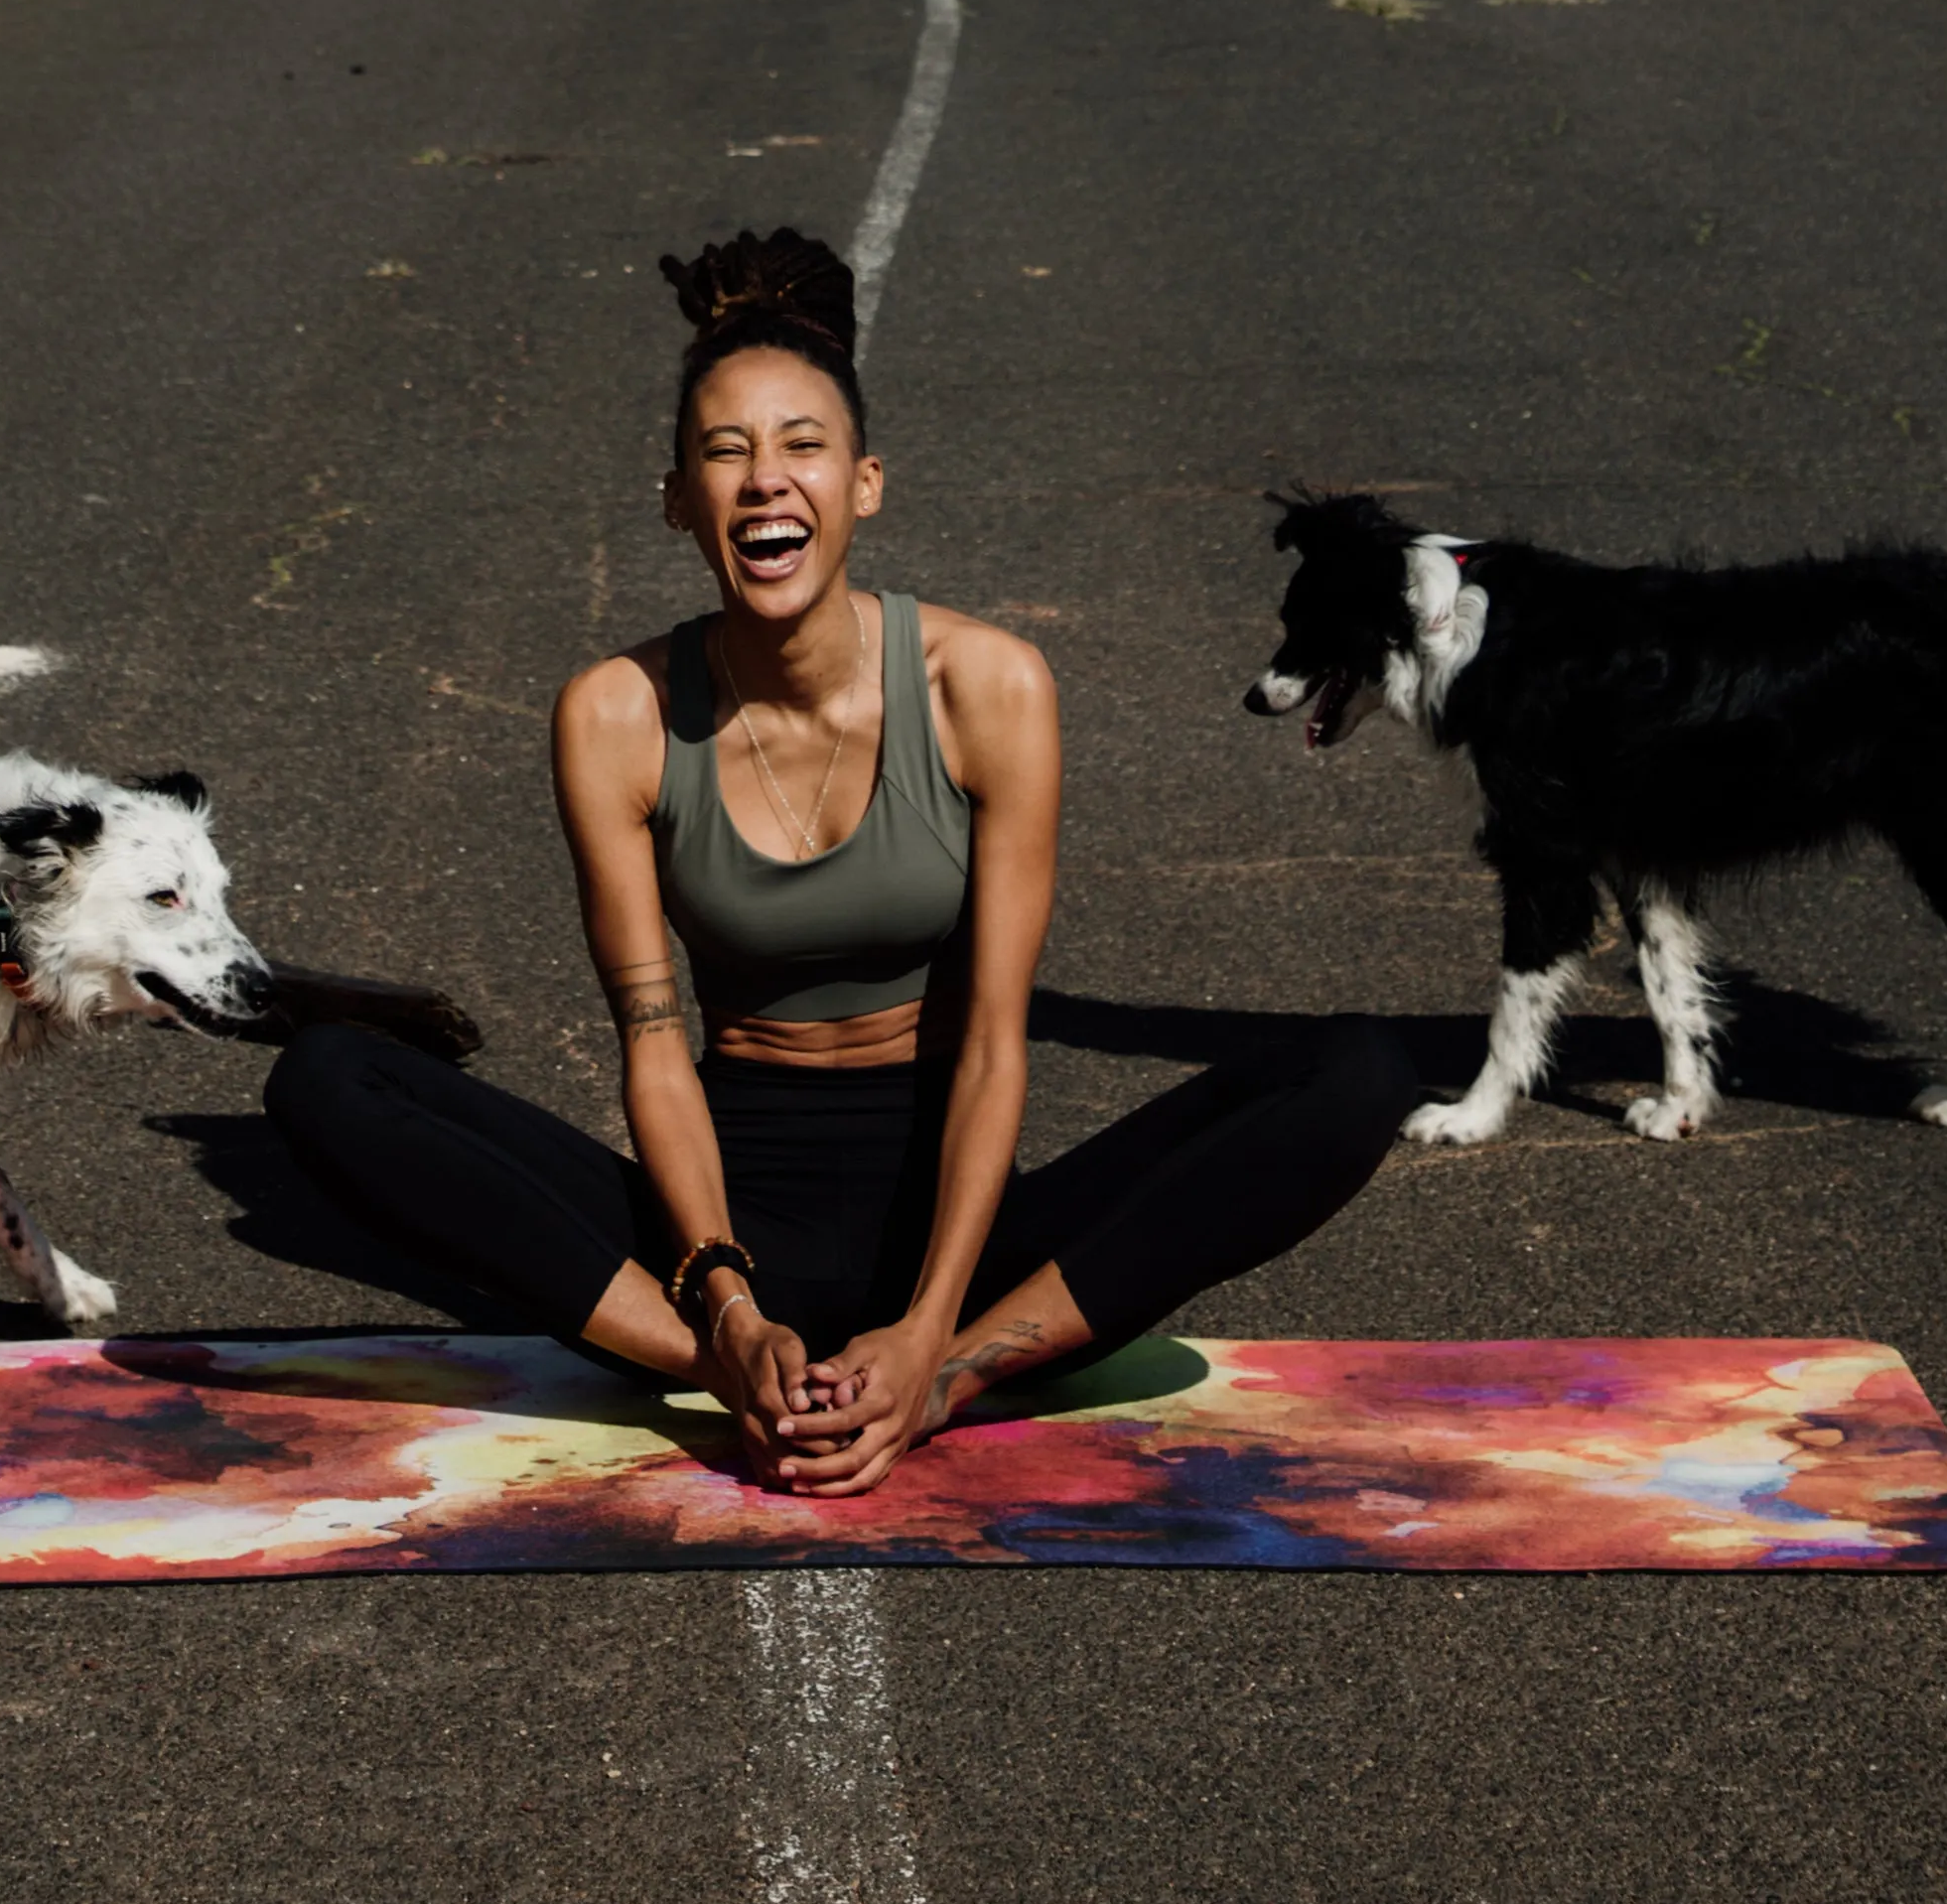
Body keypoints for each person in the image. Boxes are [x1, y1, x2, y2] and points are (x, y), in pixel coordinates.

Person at [264, 223, 1412, 1492]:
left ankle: (962, 1375)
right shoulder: (615, 714)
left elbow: (991, 1042)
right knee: (326, 1079)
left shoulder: (987, 687)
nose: (766, 479)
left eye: (802, 445)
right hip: (709, 1235)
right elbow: (653, 1043)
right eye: (726, 451)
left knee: (1352, 1075)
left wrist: (929, 1337)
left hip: (957, 1241)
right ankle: (721, 1374)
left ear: (864, 483)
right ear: (676, 498)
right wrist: (727, 1316)